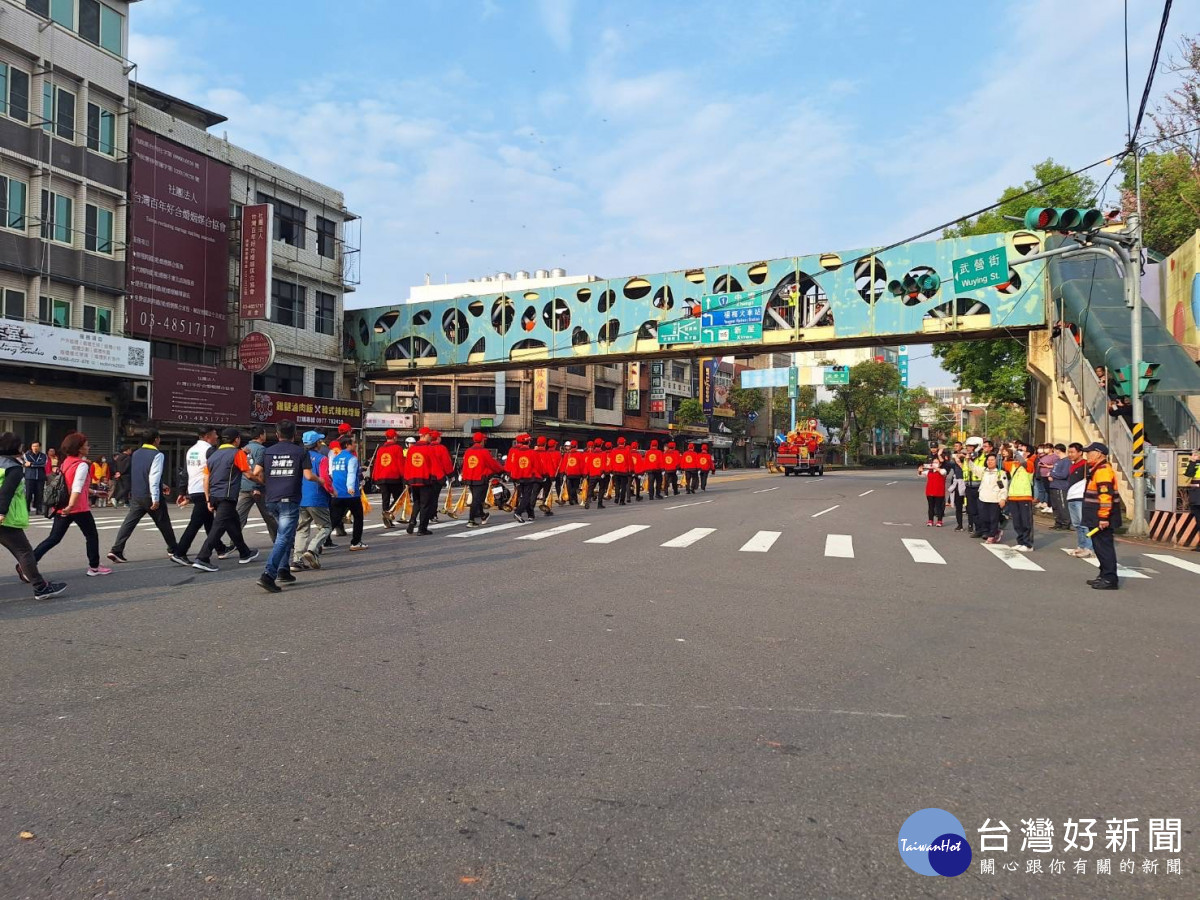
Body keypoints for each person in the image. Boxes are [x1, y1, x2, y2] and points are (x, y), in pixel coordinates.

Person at [32, 432, 111, 577]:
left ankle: (28, 564)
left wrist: (94, 492)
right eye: (86, 445)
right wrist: (71, 505)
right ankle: (94, 567)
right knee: (91, 535)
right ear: (79, 448)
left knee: (54, 538)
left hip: (62, 506)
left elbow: (68, 484)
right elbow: (77, 486)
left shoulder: (66, 462)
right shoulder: (81, 465)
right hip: (77, 507)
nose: (88, 447)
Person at [1, 432, 67, 599]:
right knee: (24, 552)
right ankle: (40, 587)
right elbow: (6, 493)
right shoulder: (13, 467)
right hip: (7, 518)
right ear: (16, 447)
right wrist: (1, 512)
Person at [257, 419, 319, 593]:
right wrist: (320, 480)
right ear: (295, 434)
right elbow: (308, 476)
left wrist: (265, 484)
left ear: (277, 434)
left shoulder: (267, 452)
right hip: (289, 499)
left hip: (271, 499)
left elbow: (255, 473)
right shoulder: (300, 452)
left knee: (285, 534)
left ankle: (283, 570)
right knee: (284, 537)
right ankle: (268, 574)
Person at [107, 429, 181, 564]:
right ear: (156, 439)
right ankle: (173, 549)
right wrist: (156, 498)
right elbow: (153, 476)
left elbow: (142, 473)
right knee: (164, 523)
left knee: (129, 523)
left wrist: (162, 484)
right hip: (149, 495)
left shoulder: (136, 454)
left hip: (137, 494)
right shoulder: (157, 455)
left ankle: (116, 549)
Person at [192, 428, 260, 572]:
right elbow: (248, 474)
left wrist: (208, 499)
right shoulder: (237, 453)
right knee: (218, 527)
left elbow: (206, 478)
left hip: (215, 496)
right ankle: (202, 557)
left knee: (233, 523)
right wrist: (262, 480)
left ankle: (245, 553)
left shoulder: (213, 455)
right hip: (227, 496)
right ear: (236, 440)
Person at [173, 426, 230, 566]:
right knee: (195, 523)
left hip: (194, 489)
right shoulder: (209, 450)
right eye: (215, 434)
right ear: (207, 436)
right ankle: (180, 552)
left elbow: (185, 473)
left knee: (209, 522)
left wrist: (183, 492)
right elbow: (215, 470)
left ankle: (220, 548)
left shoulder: (191, 450)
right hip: (205, 491)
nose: (217, 437)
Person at [1081, 442, 1121, 590]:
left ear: (1099, 454)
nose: (1087, 455)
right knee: (1099, 547)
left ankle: (1109, 578)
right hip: (1096, 516)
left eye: (1089, 452)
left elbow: (1105, 496)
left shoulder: (1103, 470)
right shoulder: (1097, 469)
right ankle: (1104, 575)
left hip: (1101, 517)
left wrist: (1103, 517)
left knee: (1104, 547)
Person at [292, 431, 334, 571]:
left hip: (301, 498)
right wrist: (332, 491)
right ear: (317, 443)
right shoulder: (322, 459)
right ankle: (312, 550)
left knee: (302, 529)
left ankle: (296, 560)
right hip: (317, 498)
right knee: (326, 527)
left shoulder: (298, 457)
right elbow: (325, 479)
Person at [237, 425, 278, 542]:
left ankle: (234, 541)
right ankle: (279, 540)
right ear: (261, 435)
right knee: (269, 516)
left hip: (244, 486)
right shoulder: (261, 449)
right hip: (257, 487)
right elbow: (259, 470)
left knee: (240, 516)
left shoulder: (244, 448)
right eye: (264, 433)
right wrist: (258, 486)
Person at [330, 433, 367, 550]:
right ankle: (356, 542)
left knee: (334, 519)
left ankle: (322, 541)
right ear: (347, 445)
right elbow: (351, 474)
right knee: (358, 517)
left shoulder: (336, 458)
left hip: (337, 492)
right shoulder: (352, 458)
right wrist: (350, 488)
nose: (355, 445)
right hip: (351, 494)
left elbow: (332, 474)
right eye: (353, 443)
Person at [461, 432, 502, 527]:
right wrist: (501, 470)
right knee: (477, 499)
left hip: (470, 478)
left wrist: (464, 477)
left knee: (477, 498)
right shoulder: (484, 451)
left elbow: (465, 466)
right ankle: (471, 520)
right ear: (482, 441)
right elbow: (492, 464)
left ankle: (483, 515)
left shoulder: (468, 451)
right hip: (480, 478)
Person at [371, 429, 405, 528]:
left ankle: (386, 517)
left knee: (385, 499)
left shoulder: (381, 449)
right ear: (394, 437)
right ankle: (388, 512)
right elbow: (400, 463)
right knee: (398, 498)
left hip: (381, 477)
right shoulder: (397, 448)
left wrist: (375, 477)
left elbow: (377, 464)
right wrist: (404, 476)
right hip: (394, 477)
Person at [1004, 447, 1037, 551]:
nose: (1019, 454)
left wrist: (1015, 451)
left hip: (1024, 495)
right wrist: (1004, 450)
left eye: (1022, 452)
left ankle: (1028, 544)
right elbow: (1001, 462)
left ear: (1028, 454)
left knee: (1026, 521)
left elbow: (1023, 462)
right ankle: (1021, 541)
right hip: (1013, 495)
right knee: (1017, 521)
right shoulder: (1013, 464)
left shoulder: (1029, 464)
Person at [1065, 442, 1093, 558]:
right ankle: (1081, 546)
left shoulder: (1085, 465)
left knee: (1084, 524)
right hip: (1071, 496)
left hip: (1081, 497)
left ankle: (1089, 547)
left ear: (1080, 452)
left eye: (1072, 452)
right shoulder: (1072, 465)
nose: (1070, 454)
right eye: (1069, 452)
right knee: (1077, 524)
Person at [506, 433, 539, 523]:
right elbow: (536, 466)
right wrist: (539, 476)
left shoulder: (515, 452)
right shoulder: (532, 452)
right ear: (528, 442)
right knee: (526, 496)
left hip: (518, 477)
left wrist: (513, 476)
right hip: (529, 477)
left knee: (524, 495)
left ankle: (530, 514)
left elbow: (513, 465)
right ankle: (518, 512)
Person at [976, 453, 1008, 544]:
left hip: (994, 499)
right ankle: (992, 531)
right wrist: (968, 459)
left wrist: (1003, 498)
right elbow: (974, 468)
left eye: (992, 460)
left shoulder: (1000, 473)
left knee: (993, 519)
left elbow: (1003, 487)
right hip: (983, 497)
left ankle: (992, 535)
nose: (990, 462)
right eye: (988, 460)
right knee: (983, 517)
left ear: (996, 461)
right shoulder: (984, 471)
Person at [1047, 444, 1072, 530]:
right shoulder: (1057, 461)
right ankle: (1058, 522)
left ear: (1058, 450)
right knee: (1055, 506)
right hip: (1053, 485)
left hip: (1061, 486)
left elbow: (1064, 474)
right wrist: (1050, 474)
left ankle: (1065, 523)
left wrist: (1052, 474)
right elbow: (1053, 471)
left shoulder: (1066, 461)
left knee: (1062, 505)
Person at [919, 454, 947, 526]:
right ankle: (930, 520)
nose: (935, 464)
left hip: (939, 492)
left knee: (939, 507)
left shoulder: (942, 470)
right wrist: (920, 470)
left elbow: (943, 473)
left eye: (936, 462)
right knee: (931, 506)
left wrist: (936, 468)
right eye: (934, 462)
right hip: (930, 492)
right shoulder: (929, 471)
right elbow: (921, 474)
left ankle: (939, 521)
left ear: (940, 464)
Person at [22, 441, 47, 515]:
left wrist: (31, 464)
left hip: (40, 477)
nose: (35, 448)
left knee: (39, 494)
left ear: (39, 447)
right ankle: (26, 509)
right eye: (33, 446)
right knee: (28, 494)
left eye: (37, 446)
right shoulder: (27, 455)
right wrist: (35, 464)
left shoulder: (43, 455)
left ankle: (39, 509)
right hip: (30, 477)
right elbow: (25, 463)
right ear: (31, 447)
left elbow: (43, 463)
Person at [1184, 448, 1200, 551]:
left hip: (1196, 496)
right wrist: (1193, 461)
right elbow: (1189, 474)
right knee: (1199, 521)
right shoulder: (1196, 463)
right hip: (1196, 496)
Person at [611, 438, 633, 505]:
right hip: (624, 471)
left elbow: (612, 461)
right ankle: (622, 501)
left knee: (617, 485)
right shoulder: (627, 451)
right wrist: (630, 471)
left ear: (617, 443)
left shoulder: (614, 450)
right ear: (624, 443)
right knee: (623, 486)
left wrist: (611, 470)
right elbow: (630, 462)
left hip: (616, 471)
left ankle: (616, 498)